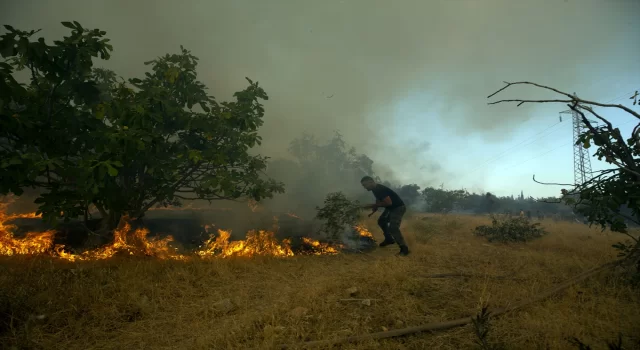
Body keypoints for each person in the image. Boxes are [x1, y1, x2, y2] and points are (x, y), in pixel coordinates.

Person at [360, 176, 410, 256]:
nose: (365, 187)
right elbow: (379, 199)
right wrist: (375, 208)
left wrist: (371, 205)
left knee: (393, 228)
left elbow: (388, 202)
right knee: (381, 221)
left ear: (371, 182)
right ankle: (389, 239)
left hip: (397, 208)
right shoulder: (374, 189)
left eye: (365, 185)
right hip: (391, 208)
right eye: (363, 186)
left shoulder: (380, 189)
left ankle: (404, 249)